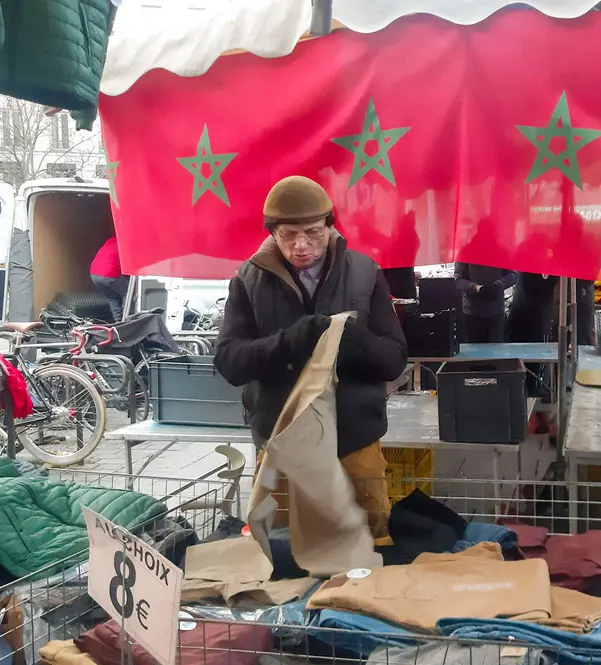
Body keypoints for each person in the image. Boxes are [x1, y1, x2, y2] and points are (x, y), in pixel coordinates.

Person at [214, 176, 407, 537]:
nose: (301, 246)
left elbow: (395, 359)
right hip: (281, 445)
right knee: (280, 549)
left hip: (354, 442)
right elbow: (229, 362)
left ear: (330, 226)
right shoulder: (248, 281)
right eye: (288, 235)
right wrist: (289, 341)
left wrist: (352, 339)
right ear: (272, 232)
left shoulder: (365, 274)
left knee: (369, 544)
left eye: (313, 233)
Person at [454, 263, 517, 343]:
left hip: (495, 311)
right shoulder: (465, 252)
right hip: (472, 312)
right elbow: (458, 280)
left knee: (496, 349)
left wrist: (497, 285)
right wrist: (476, 288)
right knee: (472, 349)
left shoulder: (502, 252)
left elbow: (512, 276)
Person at [90, 235, 128, 321]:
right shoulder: (126, 243)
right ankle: (127, 321)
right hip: (108, 273)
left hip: (94, 273)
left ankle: (118, 322)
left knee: (112, 298)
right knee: (128, 293)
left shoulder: (112, 239)